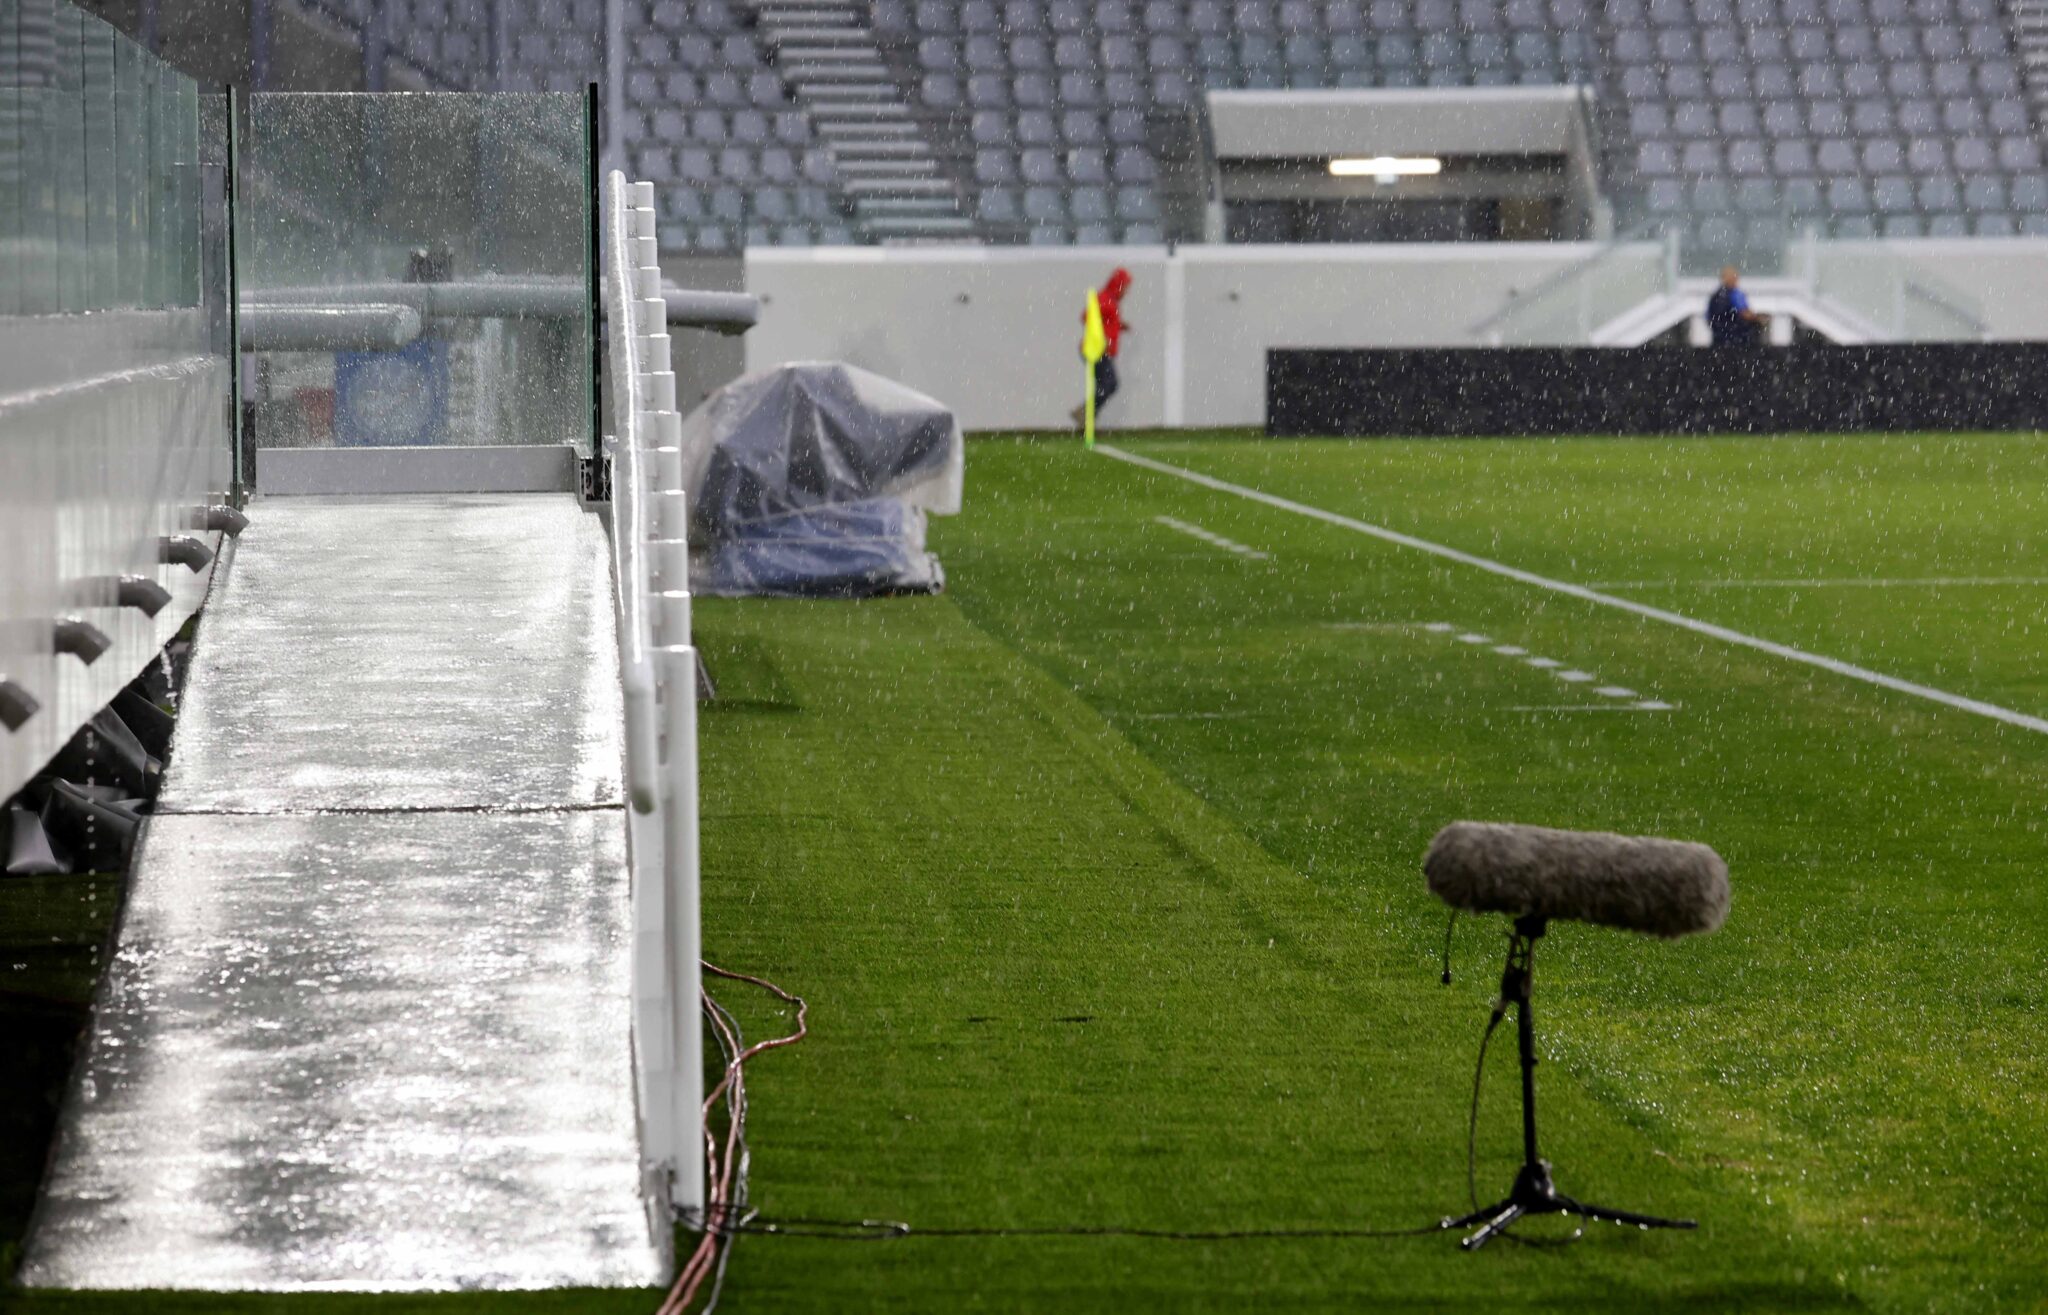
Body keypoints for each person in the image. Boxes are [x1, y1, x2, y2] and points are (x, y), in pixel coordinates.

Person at [1072, 267, 1133, 427]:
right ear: (1118, 284)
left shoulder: (1111, 300)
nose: (1126, 292)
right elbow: (1086, 316)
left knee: (1106, 385)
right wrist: (1100, 338)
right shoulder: (1105, 298)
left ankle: (1087, 417)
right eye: (1125, 287)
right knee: (1110, 383)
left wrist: (1120, 326)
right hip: (1097, 350)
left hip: (1103, 351)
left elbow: (1106, 322)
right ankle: (1085, 413)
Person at [1705, 265, 1768, 346]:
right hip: (1732, 336)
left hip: (1724, 336)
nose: (1736, 280)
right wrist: (1756, 318)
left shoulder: (1723, 294)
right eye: (1733, 278)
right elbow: (1743, 313)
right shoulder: (1727, 295)